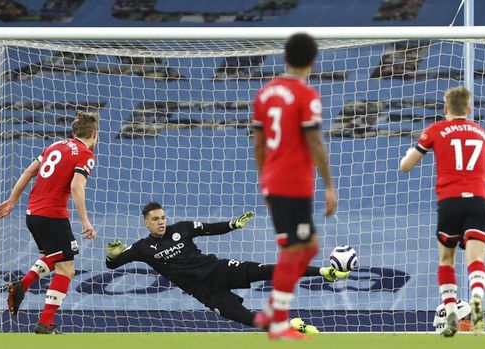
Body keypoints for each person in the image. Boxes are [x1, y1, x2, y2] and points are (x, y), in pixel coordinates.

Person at [105, 202, 349, 334]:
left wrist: (233, 224)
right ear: (146, 223)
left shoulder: (182, 228)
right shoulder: (141, 248)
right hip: (207, 292)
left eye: (162, 218)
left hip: (219, 269)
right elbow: (113, 264)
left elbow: (211, 228)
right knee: (253, 321)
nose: (161, 222)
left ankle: (324, 272)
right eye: (155, 219)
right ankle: (293, 326)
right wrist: (112, 255)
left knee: (267, 270)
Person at [251, 32, 337, 340]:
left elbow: (259, 144)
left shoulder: (265, 93)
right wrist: (329, 184)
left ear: (284, 57)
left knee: (308, 245)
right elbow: (314, 140)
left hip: (274, 180)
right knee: (295, 247)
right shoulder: (306, 95)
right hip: (295, 183)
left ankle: (274, 312)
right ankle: (276, 318)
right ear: (313, 61)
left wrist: (264, 182)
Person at [399, 86, 485, 337]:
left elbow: (406, 166)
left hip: (449, 202)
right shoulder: (480, 131)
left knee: (447, 260)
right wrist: (473, 180)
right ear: (468, 109)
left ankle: (451, 311)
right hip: (478, 200)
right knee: (476, 259)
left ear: (445, 108)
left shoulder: (436, 130)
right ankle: (476, 297)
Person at [0, 111, 99, 334]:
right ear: (94, 134)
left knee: (55, 257)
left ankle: (22, 286)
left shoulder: (55, 146)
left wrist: (12, 200)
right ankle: (45, 323)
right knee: (66, 269)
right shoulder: (85, 153)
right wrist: (86, 221)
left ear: (73, 132)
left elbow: (29, 171)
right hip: (53, 215)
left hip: (33, 214)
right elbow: (76, 187)